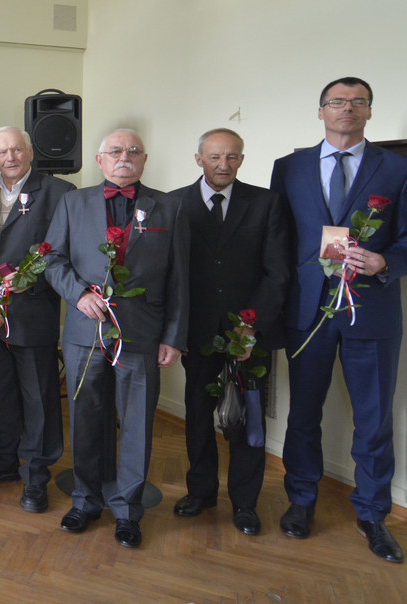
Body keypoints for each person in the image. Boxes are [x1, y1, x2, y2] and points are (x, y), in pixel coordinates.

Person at [270, 77, 407, 562]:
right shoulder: (289, 168)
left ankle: (373, 515)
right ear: (321, 110)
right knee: (303, 414)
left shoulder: (397, 168)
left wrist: (385, 262)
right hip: (308, 312)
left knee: (373, 420)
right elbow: (278, 241)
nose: (347, 109)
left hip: (370, 311)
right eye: (337, 102)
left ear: (370, 111)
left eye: (358, 102)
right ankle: (301, 503)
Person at [44, 128, 188, 548]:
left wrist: (173, 337)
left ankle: (127, 509)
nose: (124, 157)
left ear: (144, 160)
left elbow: (180, 278)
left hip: (142, 334)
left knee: (139, 423)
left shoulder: (169, 207)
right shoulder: (72, 202)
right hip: (84, 333)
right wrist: (78, 294)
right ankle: (86, 501)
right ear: (100, 159)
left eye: (132, 151)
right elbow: (51, 259)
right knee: (86, 419)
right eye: (115, 151)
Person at [170, 128, 291, 536]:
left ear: (242, 159)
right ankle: (201, 492)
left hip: (249, 335)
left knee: (249, 421)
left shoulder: (266, 203)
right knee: (198, 416)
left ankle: (245, 503)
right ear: (198, 158)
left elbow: (277, 273)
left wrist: (250, 327)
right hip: (197, 332)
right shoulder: (174, 204)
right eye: (215, 157)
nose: (224, 165)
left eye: (233, 157)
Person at [0, 127, 73, 512]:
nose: (10, 157)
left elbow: (64, 250)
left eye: (17, 149)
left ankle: (37, 475)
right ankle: (2, 463)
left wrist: (30, 277)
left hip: (32, 312)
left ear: (30, 152)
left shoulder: (60, 193)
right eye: (2, 151)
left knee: (39, 399)